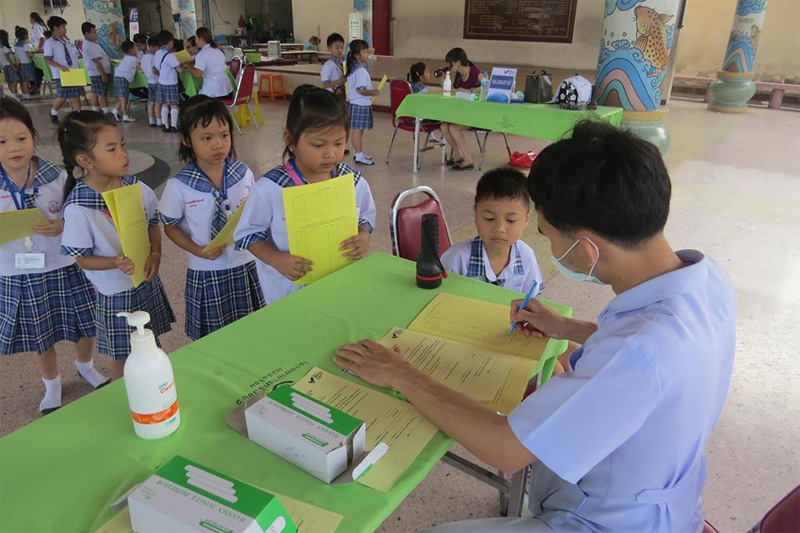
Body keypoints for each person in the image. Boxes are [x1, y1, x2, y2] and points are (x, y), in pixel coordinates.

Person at [333, 120, 737, 532]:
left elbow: (505, 448)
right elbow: (660, 361)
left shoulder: (637, 352)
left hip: (606, 522)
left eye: (545, 234)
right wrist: (566, 327)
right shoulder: (706, 279)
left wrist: (401, 373)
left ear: (587, 248)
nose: (549, 247)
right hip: (666, 497)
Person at [0, 98, 108, 414]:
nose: (13, 148)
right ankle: (52, 384)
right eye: (2, 141)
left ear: (34, 136)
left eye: (21, 138)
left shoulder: (58, 177)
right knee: (39, 334)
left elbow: (81, 211)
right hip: (16, 271)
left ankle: (85, 365)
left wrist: (63, 224)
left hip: (65, 264)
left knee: (85, 322)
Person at [234, 85, 376, 304]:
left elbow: (365, 215)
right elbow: (247, 234)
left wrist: (364, 235)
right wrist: (275, 258)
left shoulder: (351, 180)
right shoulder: (271, 188)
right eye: (318, 144)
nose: (330, 153)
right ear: (290, 140)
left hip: (340, 283)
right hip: (289, 292)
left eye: (339, 143)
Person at [59, 111, 175, 379]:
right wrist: (114, 262)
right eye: (111, 149)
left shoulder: (135, 186)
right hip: (116, 294)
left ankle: (155, 384)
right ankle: (125, 396)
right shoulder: (79, 207)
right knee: (123, 356)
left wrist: (155, 253)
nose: (123, 154)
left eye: (122, 144)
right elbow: (82, 259)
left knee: (151, 343)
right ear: (85, 160)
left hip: (145, 281)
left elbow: (151, 223)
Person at [159, 96, 264, 340]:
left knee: (252, 331)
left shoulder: (243, 174)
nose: (218, 144)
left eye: (224, 135)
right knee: (215, 337)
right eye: (207, 138)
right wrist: (197, 250)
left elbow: (256, 214)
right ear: (187, 140)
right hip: (207, 270)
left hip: (247, 264)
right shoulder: (179, 185)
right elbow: (171, 227)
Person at [442, 168, 543, 295]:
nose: (499, 228)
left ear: (526, 218)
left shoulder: (526, 256)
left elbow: (533, 299)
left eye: (511, 220)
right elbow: (439, 297)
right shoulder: (456, 258)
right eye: (489, 218)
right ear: (476, 213)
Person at [441, 47, 485, 171]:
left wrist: (470, 91)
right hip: (462, 113)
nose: (449, 67)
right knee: (444, 126)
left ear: (458, 63)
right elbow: (455, 90)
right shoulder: (459, 76)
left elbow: (487, 85)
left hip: (476, 113)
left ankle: (468, 159)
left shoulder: (475, 72)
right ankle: (457, 153)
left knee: (453, 127)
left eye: (450, 64)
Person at [345, 39, 380, 166]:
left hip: (359, 104)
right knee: (358, 131)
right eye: (364, 51)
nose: (367, 54)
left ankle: (358, 153)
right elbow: (361, 90)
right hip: (359, 104)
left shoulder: (356, 67)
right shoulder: (359, 70)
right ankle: (359, 156)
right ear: (356, 55)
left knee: (358, 131)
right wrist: (373, 92)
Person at [43, 16, 83, 124]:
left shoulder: (67, 41)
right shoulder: (50, 43)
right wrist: (59, 66)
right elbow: (47, 59)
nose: (65, 29)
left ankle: (77, 116)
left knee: (76, 94)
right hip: (61, 74)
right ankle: (53, 112)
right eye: (63, 27)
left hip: (73, 71)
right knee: (63, 96)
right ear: (55, 28)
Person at [154, 30, 187, 133]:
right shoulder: (170, 56)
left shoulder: (158, 53)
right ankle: (174, 126)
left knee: (164, 104)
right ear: (170, 41)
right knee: (174, 105)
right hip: (170, 83)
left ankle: (165, 124)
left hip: (161, 82)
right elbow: (180, 70)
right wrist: (184, 65)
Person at [187, 27, 232, 98]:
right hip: (226, 88)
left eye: (196, 38)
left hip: (213, 91)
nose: (195, 41)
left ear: (201, 39)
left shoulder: (202, 54)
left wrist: (189, 67)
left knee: (196, 100)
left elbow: (198, 74)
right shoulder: (218, 50)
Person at [81, 22, 112, 117]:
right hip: (98, 73)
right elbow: (97, 61)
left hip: (95, 73)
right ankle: (106, 111)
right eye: (94, 32)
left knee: (95, 91)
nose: (96, 34)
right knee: (101, 93)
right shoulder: (90, 45)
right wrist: (103, 74)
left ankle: (95, 110)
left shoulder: (91, 43)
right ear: (87, 33)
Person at [111, 41, 139, 123]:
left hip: (120, 77)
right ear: (131, 50)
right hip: (122, 78)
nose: (136, 49)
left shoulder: (127, 57)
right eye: (135, 47)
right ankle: (125, 116)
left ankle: (114, 112)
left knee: (123, 97)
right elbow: (141, 65)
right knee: (123, 98)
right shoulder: (132, 59)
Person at [141, 37, 160, 127]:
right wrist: (161, 74)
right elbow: (154, 70)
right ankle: (159, 120)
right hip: (156, 81)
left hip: (149, 81)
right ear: (154, 47)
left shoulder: (143, 57)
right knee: (158, 102)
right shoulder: (153, 57)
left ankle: (151, 120)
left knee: (151, 102)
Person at [13, 27, 36, 100]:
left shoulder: (16, 45)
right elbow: (28, 55)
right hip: (26, 63)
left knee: (22, 81)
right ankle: (27, 94)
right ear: (25, 35)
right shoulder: (25, 44)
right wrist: (33, 55)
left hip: (20, 63)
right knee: (26, 80)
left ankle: (24, 94)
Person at [1, 30, 20, 99]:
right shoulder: (5, 47)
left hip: (4, 65)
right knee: (15, 79)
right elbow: (7, 58)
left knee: (10, 80)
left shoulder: (1, 47)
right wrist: (13, 66)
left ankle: (13, 94)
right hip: (9, 65)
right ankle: (13, 94)